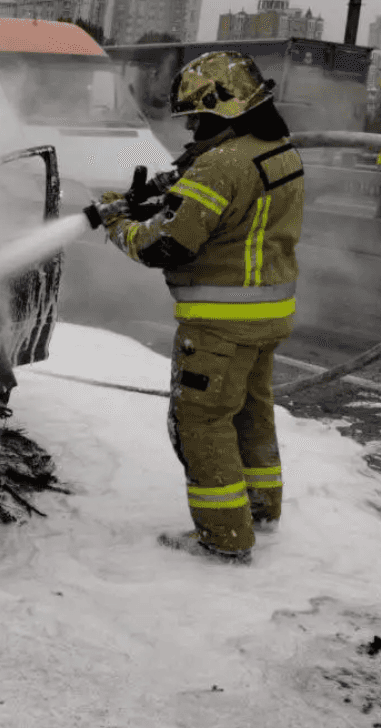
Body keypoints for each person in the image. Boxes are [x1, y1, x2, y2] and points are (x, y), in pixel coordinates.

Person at [87, 51, 304, 565]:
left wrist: (121, 227)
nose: (194, 127)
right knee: (251, 412)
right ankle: (261, 508)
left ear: (220, 107)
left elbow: (168, 246)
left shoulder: (220, 165)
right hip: (266, 316)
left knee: (201, 423)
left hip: (220, 325)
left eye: (198, 117)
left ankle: (224, 537)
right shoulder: (277, 150)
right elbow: (224, 209)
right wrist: (161, 198)